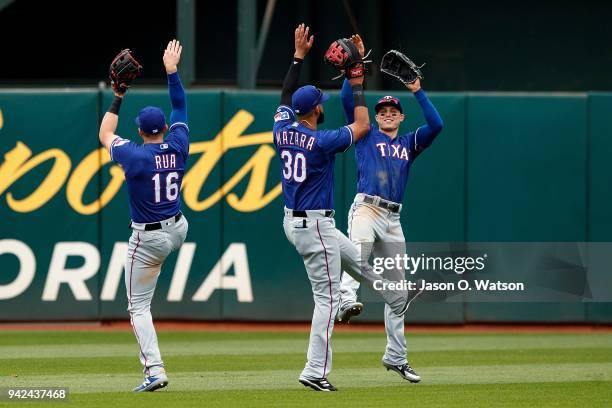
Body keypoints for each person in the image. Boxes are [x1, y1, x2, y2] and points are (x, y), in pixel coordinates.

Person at [275, 25, 420, 392]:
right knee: (324, 301)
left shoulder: (282, 127)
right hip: (314, 227)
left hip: (300, 223)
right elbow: (362, 124)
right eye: (320, 102)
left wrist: (298, 58)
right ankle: (314, 371)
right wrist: (355, 79)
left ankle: (393, 295)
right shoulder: (321, 141)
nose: (323, 105)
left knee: (358, 260)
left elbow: (285, 95)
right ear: (315, 111)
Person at [336, 36, 444, 383]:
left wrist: (417, 88)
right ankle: (345, 299)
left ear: (400, 116)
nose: (385, 114)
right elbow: (345, 103)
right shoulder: (366, 134)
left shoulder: (410, 143)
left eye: (392, 111)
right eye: (381, 111)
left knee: (399, 292)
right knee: (358, 252)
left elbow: (437, 126)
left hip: (393, 217)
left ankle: (396, 356)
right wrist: (354, 74)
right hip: (366, 208)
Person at [98, 40, 189, 392]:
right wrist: (172, 71)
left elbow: (104, 133)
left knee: (137, 308)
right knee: (173, 230)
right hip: (177, 228)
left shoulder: (133, 157)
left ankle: (155, 370)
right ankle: (153, 370)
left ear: (140, 130)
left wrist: (119, 92)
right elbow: (180, 104)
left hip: (148, 239)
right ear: (164, 128)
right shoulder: (179, 146)